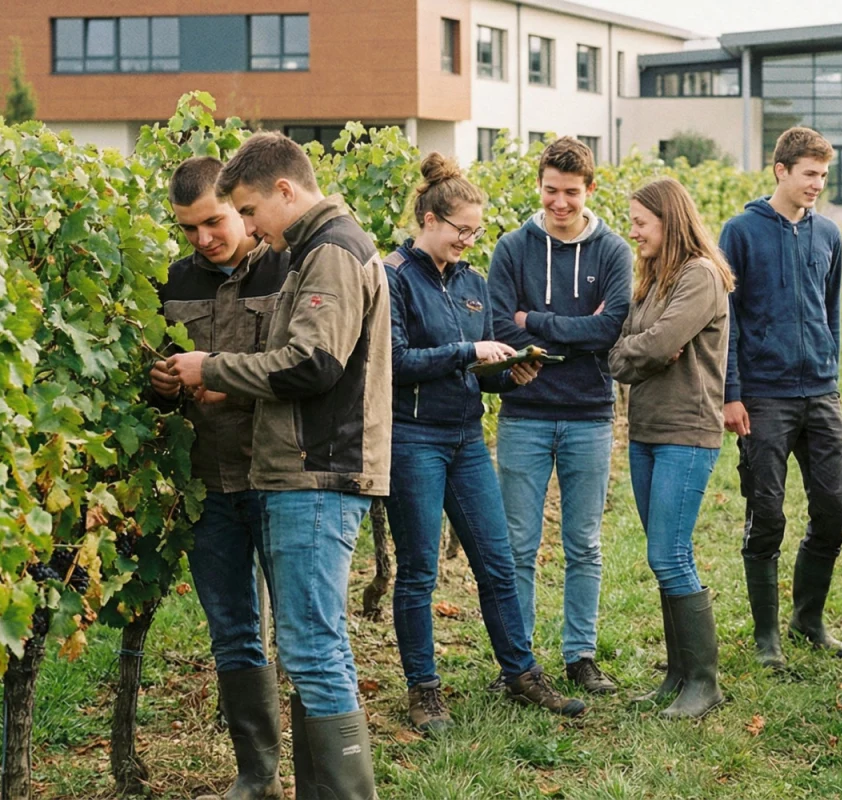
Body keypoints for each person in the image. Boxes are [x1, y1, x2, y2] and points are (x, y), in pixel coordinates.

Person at [165, 132, 391, 799]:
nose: (251, 229)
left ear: (284, 192)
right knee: (319, 647)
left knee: (313, 652)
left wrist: (213, 367)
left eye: (247, 211)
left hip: (313, 469)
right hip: (301, 469)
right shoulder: (322, 247)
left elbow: (313, 362)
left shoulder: (328, 250)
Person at [386, 153, 585, 733]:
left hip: (467, 437)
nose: (470, 242)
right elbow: (396, 363)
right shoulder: (394, 277)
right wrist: (470, 354)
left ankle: (521, 673)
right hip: (414, 438)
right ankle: (423, 690)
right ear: (428, 218)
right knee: (420, 569)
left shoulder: (473, 285)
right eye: (461, 231)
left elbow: (480, 364)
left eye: (476, 232)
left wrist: (509, 372)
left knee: (497, 563)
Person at [149, 156, 290, 800]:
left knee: (303, 630)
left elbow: (304, 369)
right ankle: (257, 776)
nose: (203, 240)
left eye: (214, 221)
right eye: (188, 230)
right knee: (232, 628)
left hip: (279, 475)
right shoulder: (172, 282)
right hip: (210, 482)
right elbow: (156, 377)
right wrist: (160, 385)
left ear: (241, 206)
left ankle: (319, 774)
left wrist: (224, 380)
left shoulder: (292, 268)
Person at [489, 136, 632, 695]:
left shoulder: (613, 251)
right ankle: (518, 662)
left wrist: (539, 322)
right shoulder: (511, 248)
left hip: (589, 414)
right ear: (540, 188)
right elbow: (501, 328)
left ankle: (581, 654)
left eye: (571, 192)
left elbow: (611, 328)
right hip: (523, 413)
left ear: (590, 190)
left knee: (584, 542)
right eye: (551, 191)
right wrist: (572, 331)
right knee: (518, 544)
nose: (560, 203)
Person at [720, 126, 842, 668]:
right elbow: (725, 319)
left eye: (823, 175)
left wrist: (832, 378)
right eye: (809, 174)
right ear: (781, 171)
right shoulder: (741, 232)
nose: (817, 184)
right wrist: (732, 392)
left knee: (835, 511)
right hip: (765, 396)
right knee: (767, 512)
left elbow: (830, 311)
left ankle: (808, 617)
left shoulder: (829, 235)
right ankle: (766, 635)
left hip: (820, 392)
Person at [609, 177, 737, 720]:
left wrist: (640, 351)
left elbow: (657, 344)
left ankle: (704, 682)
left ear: (670, 220)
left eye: (641, 221)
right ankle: (677, 673)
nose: (633, 231)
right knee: (662, 556)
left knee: (669, 553)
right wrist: (639, 352)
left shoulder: (700, 276)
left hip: (687, 431)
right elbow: (625, 351)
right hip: (647, 430)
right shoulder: (654, 279)